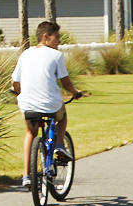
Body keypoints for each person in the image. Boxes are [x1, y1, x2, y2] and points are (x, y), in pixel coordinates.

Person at [10, 19, 85, 187]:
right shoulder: (56, 55)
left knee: (30, 133)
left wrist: (18, 93)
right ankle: (58, 144)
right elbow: (66, 82)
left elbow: (14, 82)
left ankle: (26, 176)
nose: (59, 41)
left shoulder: (25, 54)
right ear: (46, 37)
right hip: (50, 104)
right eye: (57, 37)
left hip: (27, 105)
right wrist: (76, 93)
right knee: (62, 116)